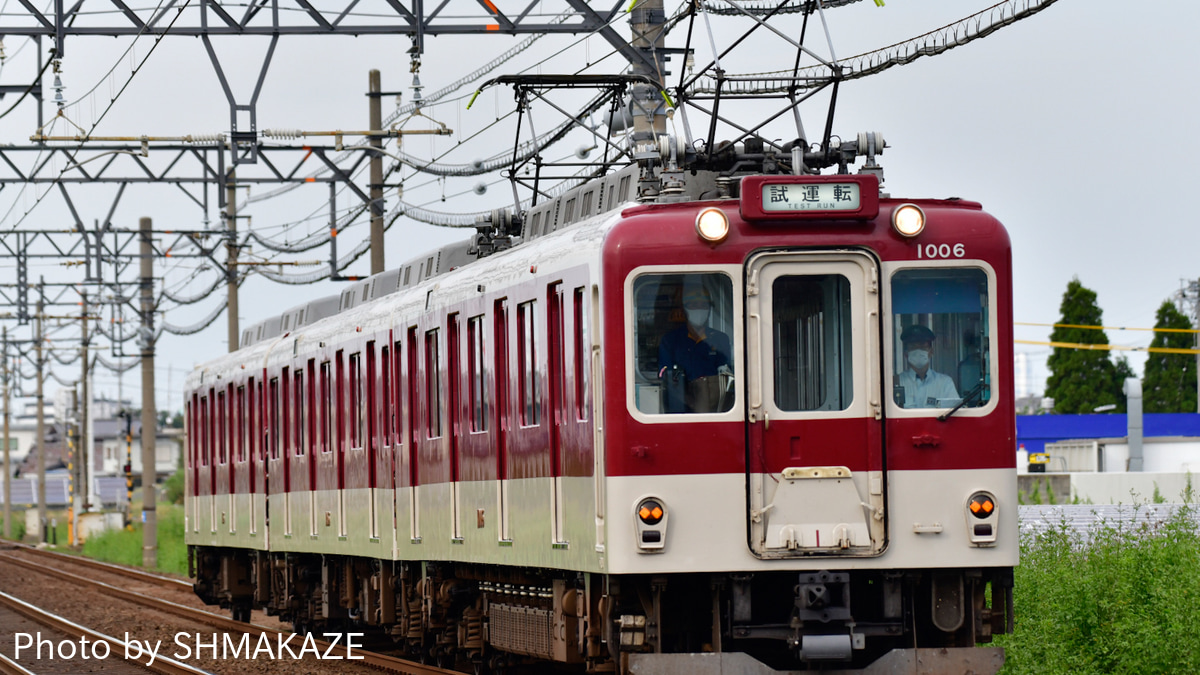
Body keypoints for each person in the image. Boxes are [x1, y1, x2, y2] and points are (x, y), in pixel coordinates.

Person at [658, 285, 733, 413]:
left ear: (709, 310)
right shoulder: (670, 340)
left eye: (703, 305)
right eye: (693, 305)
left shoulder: (720, 339)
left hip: (713, 408)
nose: (699, 309)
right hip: (679, 408)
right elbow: (667, 377)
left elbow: (726, 375)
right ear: (685, 309)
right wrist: (690, 402)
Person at [895, 324, 959, 409]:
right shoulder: (896, 383)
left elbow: (955, 415)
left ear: (931, 352)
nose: (918, 351)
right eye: (913, 347)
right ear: (906, 354)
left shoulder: (945, 383)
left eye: (922, 347)